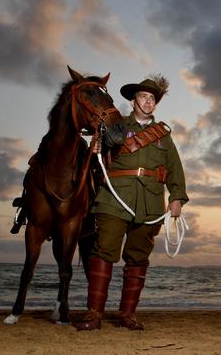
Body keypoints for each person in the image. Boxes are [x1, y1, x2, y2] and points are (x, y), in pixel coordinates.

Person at [74, 74, 188, 331]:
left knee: (138, 257)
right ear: (133, 101)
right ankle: (94, 314)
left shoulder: (164, 137)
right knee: (103, 251)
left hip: (149, 204)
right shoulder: (115, 127)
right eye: (143, 97)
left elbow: (175, 169)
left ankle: (128, 315)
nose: (148, 102)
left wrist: (177, 197)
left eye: (152, 99)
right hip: (114, 198)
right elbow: (97, 157)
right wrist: (96, 147)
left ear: (155, 105)